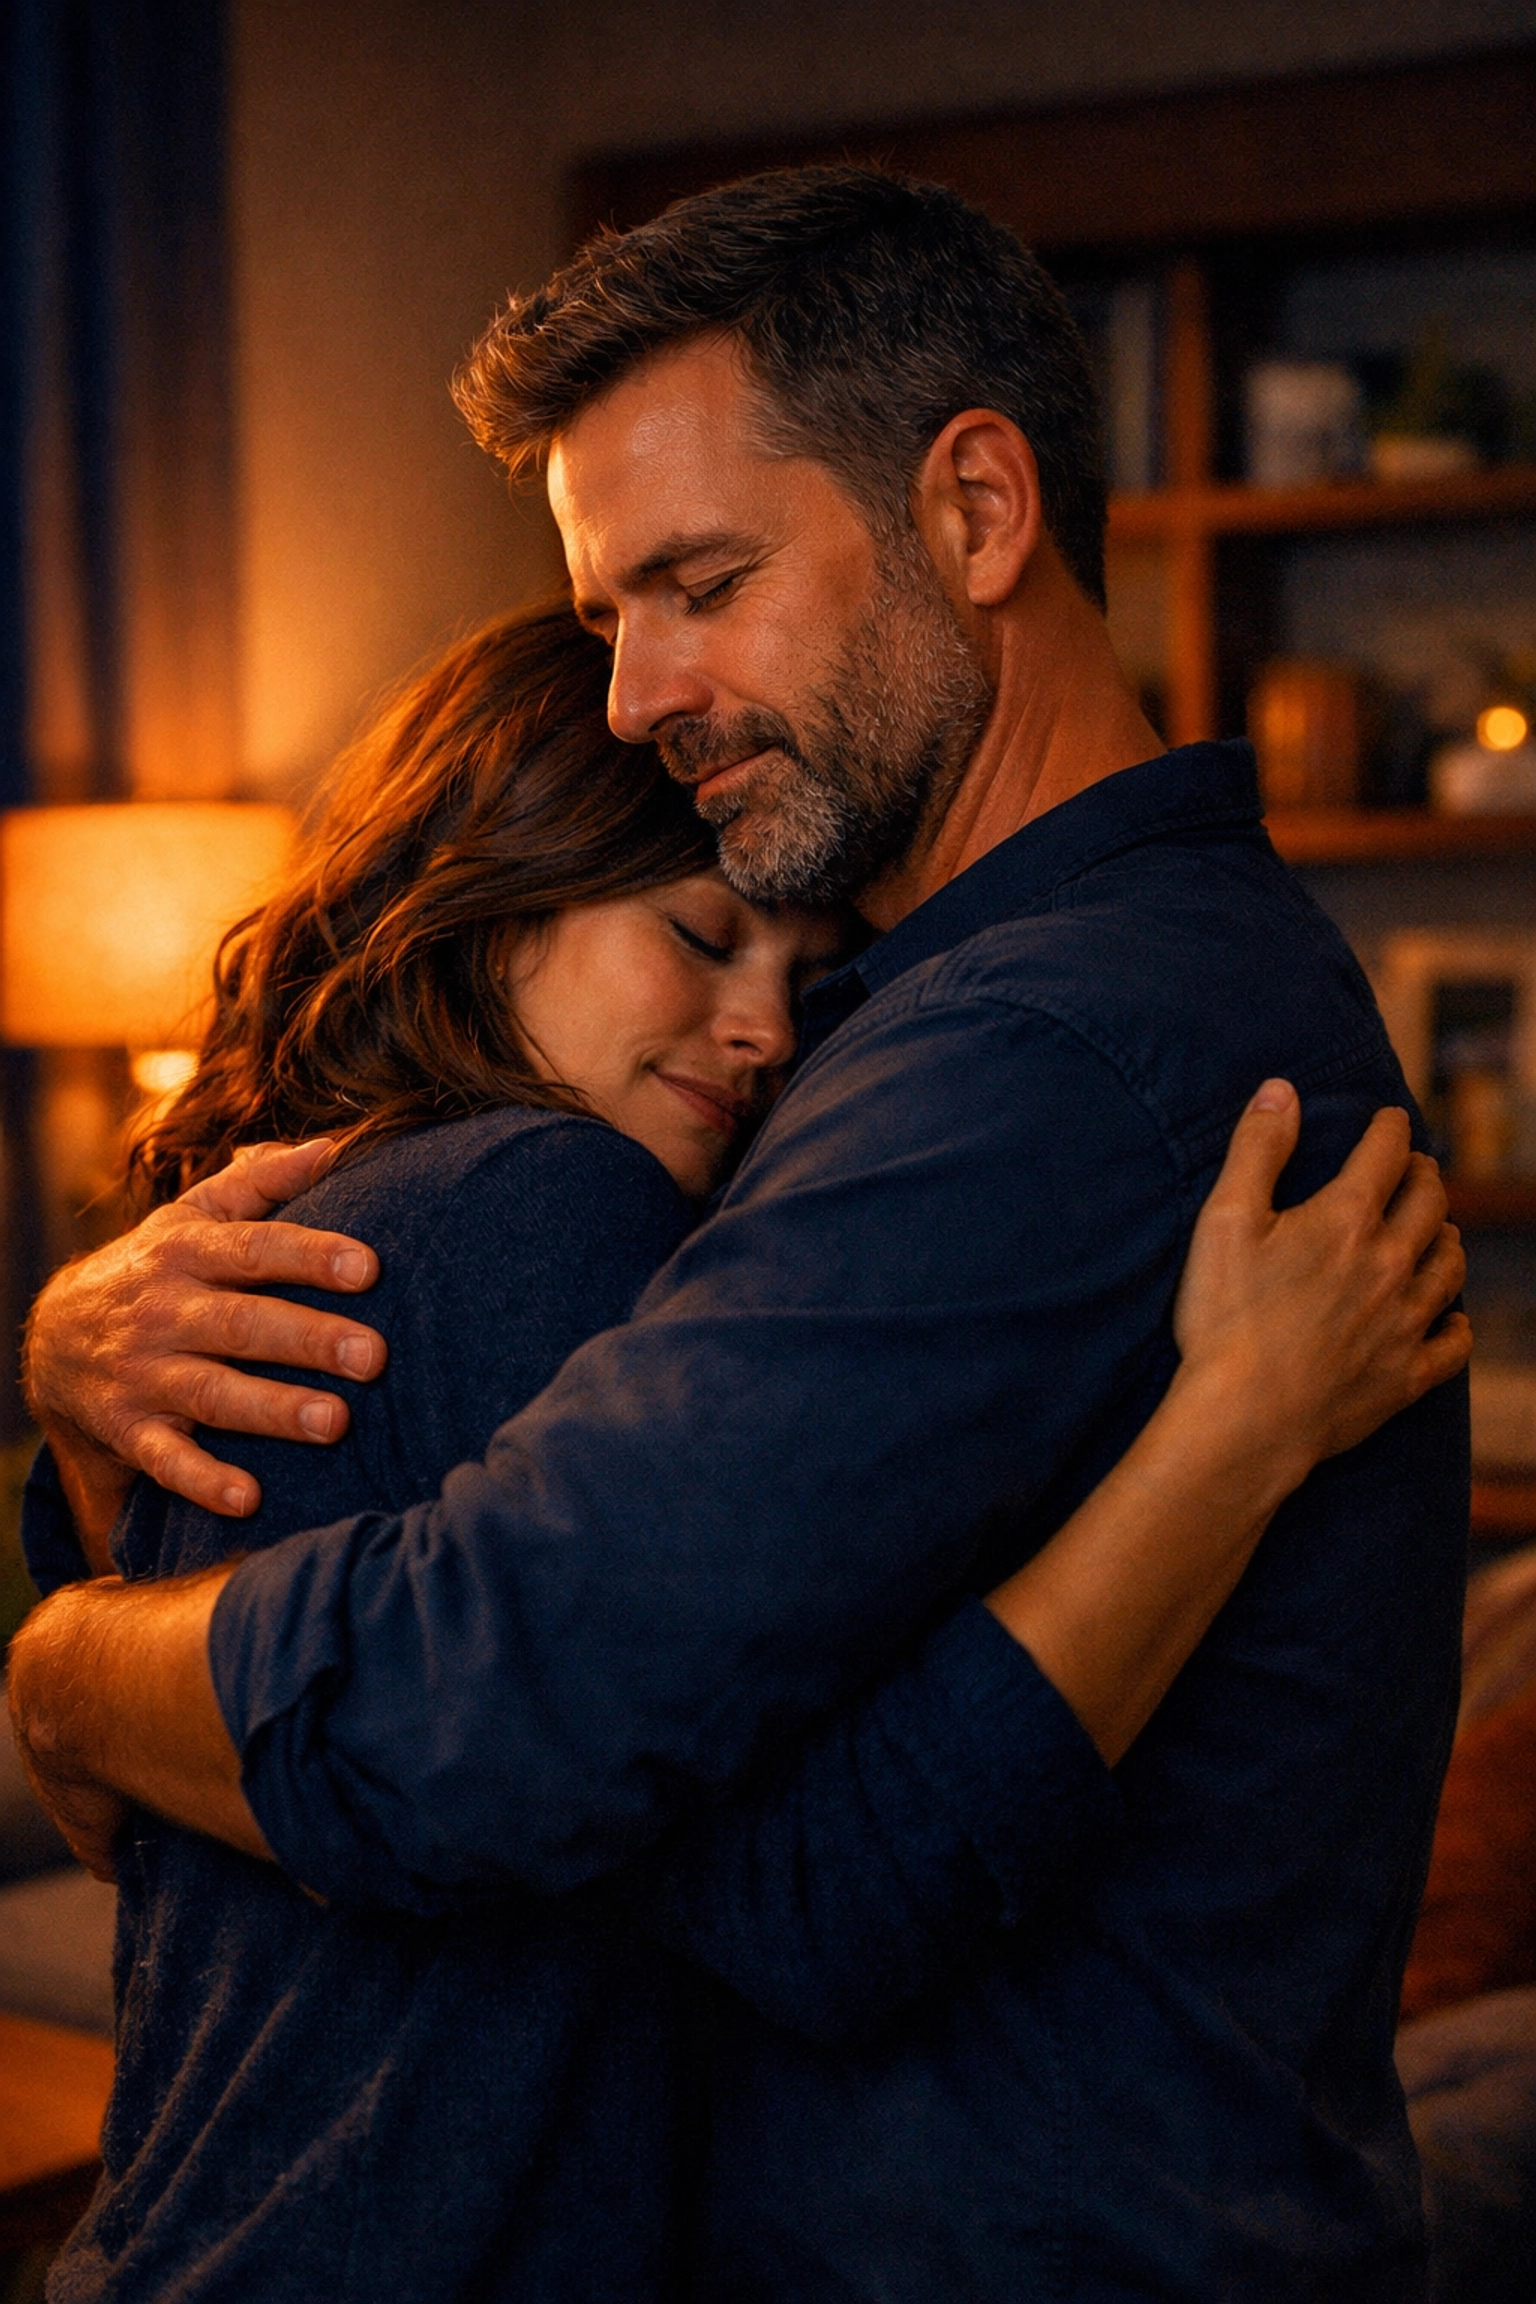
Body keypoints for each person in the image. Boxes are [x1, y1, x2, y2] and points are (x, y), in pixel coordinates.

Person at [12, 169, 1471, 2299]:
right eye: (609, 618)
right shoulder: (950, 1024)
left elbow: (508, 1722)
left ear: (977, 511)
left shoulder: (1043, 1048)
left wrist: (66, 1680)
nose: (635, 694)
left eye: (698, 583)